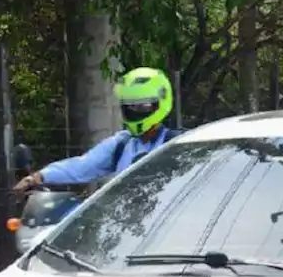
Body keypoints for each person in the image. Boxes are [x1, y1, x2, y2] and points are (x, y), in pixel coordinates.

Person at [13, 68, 183, 192]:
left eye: (141, 105)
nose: (134, 111)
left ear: (160, 103)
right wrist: (37, 177)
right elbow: (82, 166)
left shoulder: (179, 145)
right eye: (129, 106)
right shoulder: (122, 145)